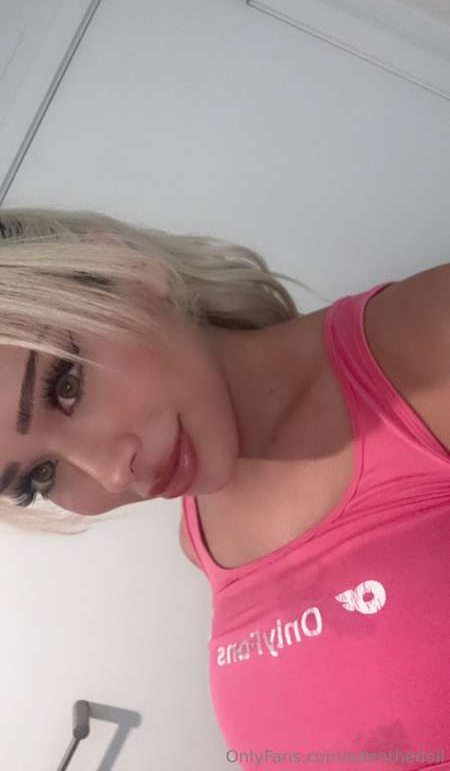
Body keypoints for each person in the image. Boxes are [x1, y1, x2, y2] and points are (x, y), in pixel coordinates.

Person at [0, 206, 448, 769]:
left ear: (128, 269)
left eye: (66, 386)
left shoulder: (428, 341)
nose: (112, 475)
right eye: (40, 476)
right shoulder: (200, 543)